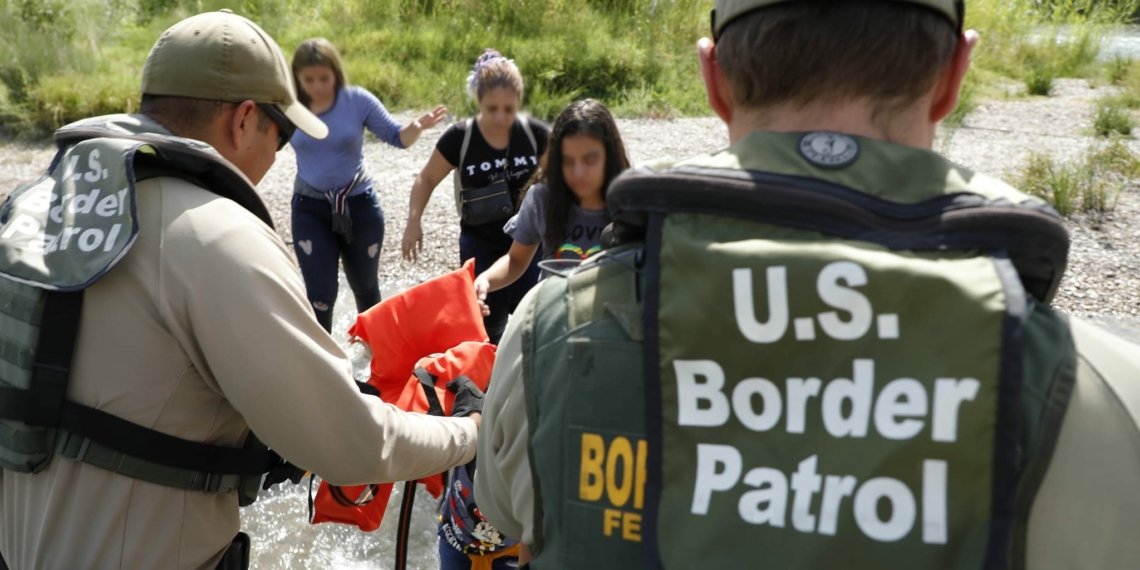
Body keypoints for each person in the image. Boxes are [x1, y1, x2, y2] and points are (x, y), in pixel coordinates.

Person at [474, 1, 1140, 569]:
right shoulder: (1098, 387)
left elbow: (501, 513)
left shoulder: (549, 332)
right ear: (953, 77)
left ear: (714, 80)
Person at [0, 11, 482, 570]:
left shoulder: (34, 205)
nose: (277, 159)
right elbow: (353, 445)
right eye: (283, 135)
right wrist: (468, 431)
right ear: (245, 119)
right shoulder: (217, 236)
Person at [289, 38, 447, 332]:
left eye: (324, 78)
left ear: (336, 72)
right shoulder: (288, 106)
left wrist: (417, 127)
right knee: (320, 297)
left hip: (360, 206)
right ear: (296, 77)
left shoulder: (357, 100)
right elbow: (260, 145)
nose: (318, 87)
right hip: (310, 209)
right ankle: (324, 369)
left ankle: (374, 364)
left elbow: (397, 138)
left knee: (366, 289)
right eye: (309, 80)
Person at [401, 49, 550, 343]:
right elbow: (426, 178)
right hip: (479, 245)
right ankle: (485, 386)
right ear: (478, 101)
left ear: (519, 102)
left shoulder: (537, 135)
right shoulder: (460, 137)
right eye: (492, 108)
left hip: (528, 245)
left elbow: (566, 178)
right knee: (484, 331)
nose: (500, 117)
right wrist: (413, 221)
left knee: (531, 330)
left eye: (509, 109)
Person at [472, 99, 630, 317]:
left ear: (610, 156)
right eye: (567, 161)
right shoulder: (543, 198)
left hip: (611, 324)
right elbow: (516, 259)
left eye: (590, 160)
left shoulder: (631, 201)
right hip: (553, 322)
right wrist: (485, 280)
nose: (578, 173)